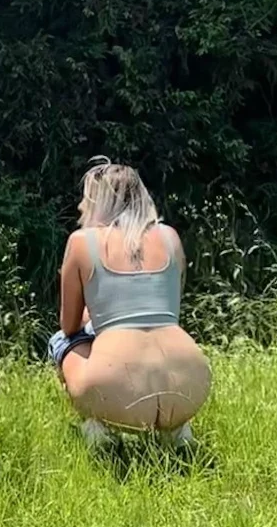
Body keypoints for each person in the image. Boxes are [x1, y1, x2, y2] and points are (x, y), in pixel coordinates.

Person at [47, 160, 211, 444]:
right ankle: (176, 430)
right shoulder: (170, 237)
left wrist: (95, 318)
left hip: (114, 391)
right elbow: (166, 310)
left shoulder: (81, 241)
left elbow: (70, 325)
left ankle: (98, 428)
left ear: (97, 203)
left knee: (61, 341)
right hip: (190, 384)